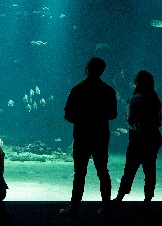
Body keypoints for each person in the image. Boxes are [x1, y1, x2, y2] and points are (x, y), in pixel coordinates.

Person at [61, 57, 117, 219]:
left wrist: (81, 120)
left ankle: (74, 207)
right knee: (103, 171)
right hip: (100, 135)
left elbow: (68, 114)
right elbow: (113, 115)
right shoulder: (109, 90)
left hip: (82, 135)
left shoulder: (78, 89)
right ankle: (106, 207)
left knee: (79, 173)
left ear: (87, 69)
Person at [112, 70, 162, 211]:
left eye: (135, 78)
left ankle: (119, 198)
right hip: (154, 137)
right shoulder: (155, 99)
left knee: (130, 169)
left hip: (139, 139)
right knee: (150, 170)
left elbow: (132, 120)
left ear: (139, 81)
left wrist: (126, 119)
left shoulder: (135, 99)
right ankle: (147, 201)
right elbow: (159, 121)